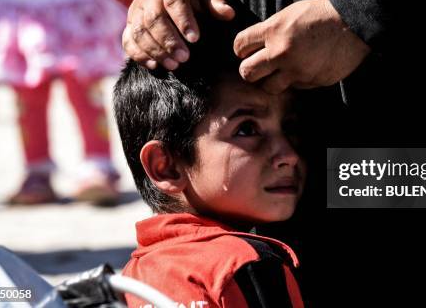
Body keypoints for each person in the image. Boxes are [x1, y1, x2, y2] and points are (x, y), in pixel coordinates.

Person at [113, 22, 305, 307]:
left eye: (289, 128)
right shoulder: (246, 266)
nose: (288, 155)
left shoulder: (133, 277)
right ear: (166, 166)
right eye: (247, 130)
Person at [0, 0, 127, 205]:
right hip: (21, 1)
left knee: (83, 86)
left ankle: (98, 164)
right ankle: (37, 169)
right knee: (27, 91)